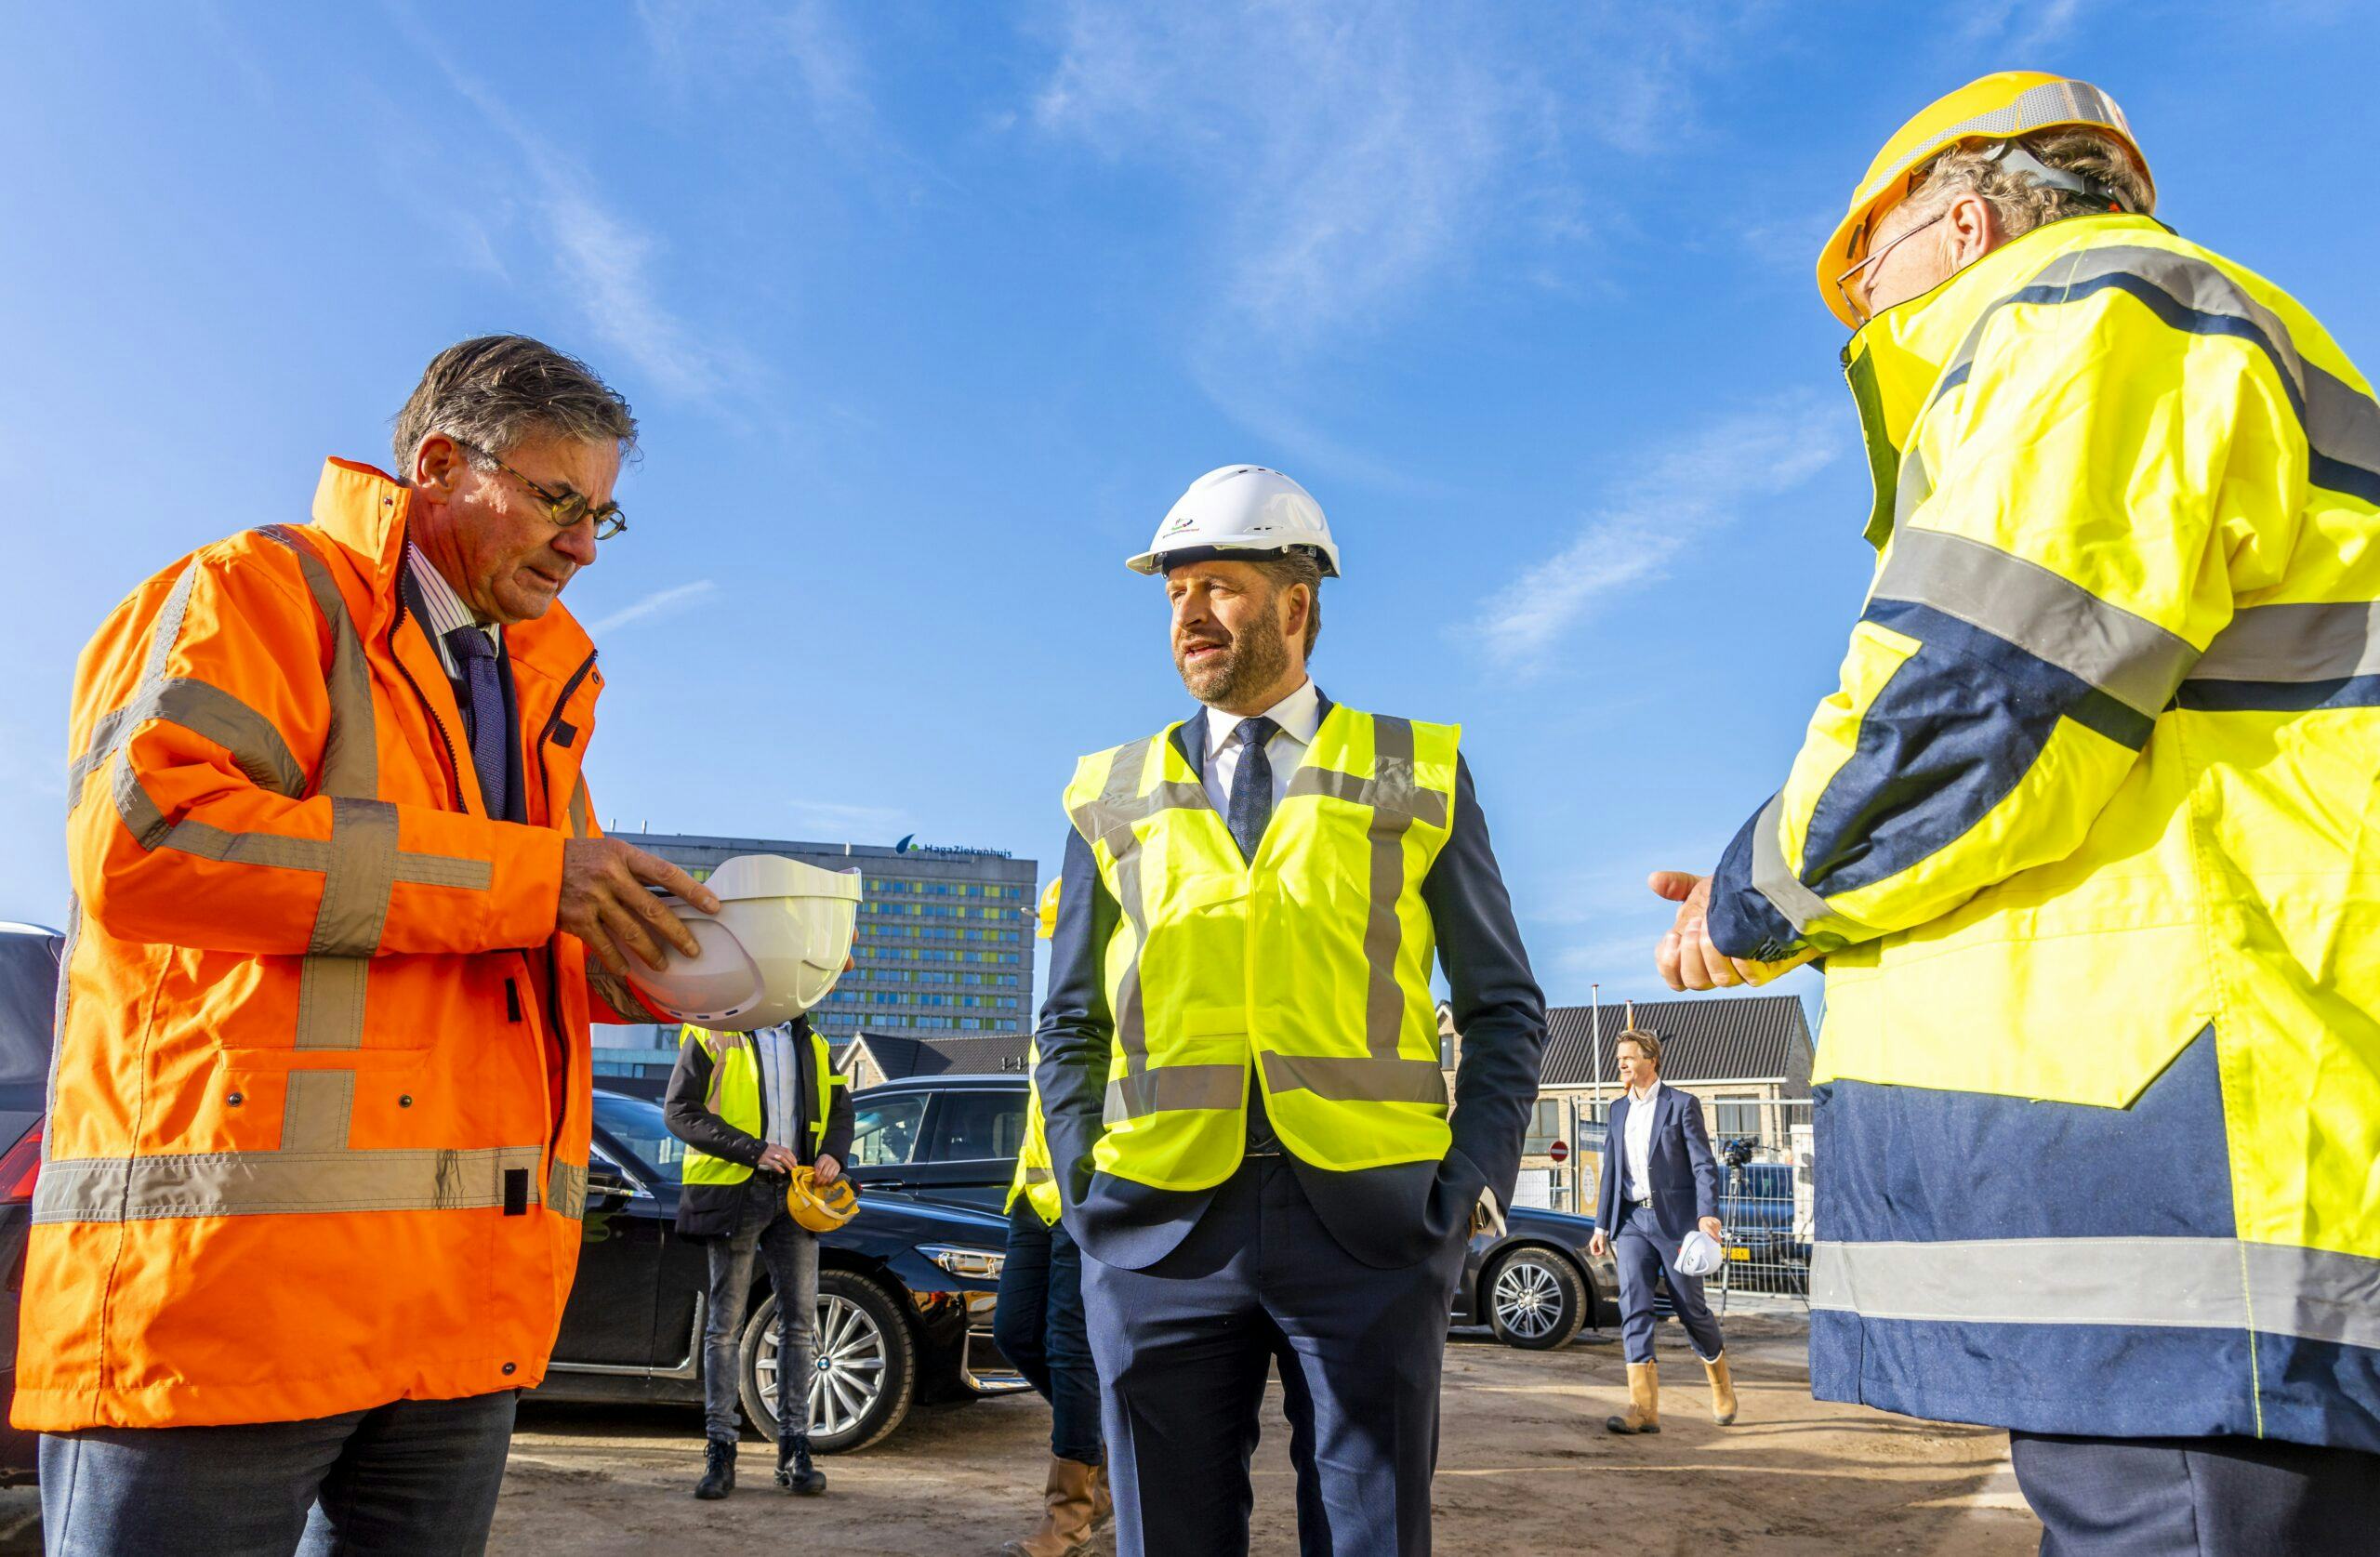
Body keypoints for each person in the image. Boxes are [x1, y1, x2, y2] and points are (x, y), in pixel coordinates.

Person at [1653, 72, 2380, 1552]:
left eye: (1867, 269)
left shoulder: (2085, 317)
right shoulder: (2201, 334)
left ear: (1963, 216)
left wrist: (1745, 903)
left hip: (2198, 1189)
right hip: (2248, 1157)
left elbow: (1967, 707)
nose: (1859, 319)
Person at [22, 335, 721, 1556]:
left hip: (452, 1317)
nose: (583, 545)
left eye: (605, 515)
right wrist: (540, 880)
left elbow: (511, 929)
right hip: (224, 1306)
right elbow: (145, 841)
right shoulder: (255, 593)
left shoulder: (534, 688)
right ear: (441, 463)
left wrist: (684, 959)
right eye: (560, 501)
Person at [1036, 465, 1547, 1557]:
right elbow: (1067, 1023)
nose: (1186, 614)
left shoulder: (1417, 770)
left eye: (1215, 585)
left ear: (1295, 603)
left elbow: (1503, 1005)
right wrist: (1085, 1187)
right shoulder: (1107, 789)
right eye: (1173, 592)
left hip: (1369, 1229)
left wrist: (1463, 1193)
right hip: (1156, 1228)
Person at [663, 1016, 852, 1500]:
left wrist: (833, 1152)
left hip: (798, 1197)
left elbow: (842, 1110)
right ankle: (720, 1450)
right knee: (724, 1326)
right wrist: (754, 1151)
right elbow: (679, 1111)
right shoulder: (711, 1033)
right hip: (734, 1192)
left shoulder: (813, 1042)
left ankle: (795, 1449)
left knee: (800, 1325)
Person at [990, 1027, 1110, 1556]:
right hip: (1032, 1197)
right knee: (1013, 1334)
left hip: (1083, 1192)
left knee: (1069, 1350)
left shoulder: (1110, 986)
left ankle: (1071, 1515)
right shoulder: (1055, 1010)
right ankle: (1104, 1457)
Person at [1585, 1020, 1734, 1433]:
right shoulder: (1617, 1109)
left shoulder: (1682, 1105)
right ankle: (1643, 1408)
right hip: (1632, 1221)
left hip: (1675, 1224)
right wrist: (1601, 1226)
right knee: (1634, 1305)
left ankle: (1720, 1383)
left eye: (1629, 1058)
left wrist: (1707, 1213)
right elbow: (1611, 1170)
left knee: (1691, 1310)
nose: (1622, 1065)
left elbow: (1703, 1163)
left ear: (1651, 1059)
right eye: (1619, 1060)